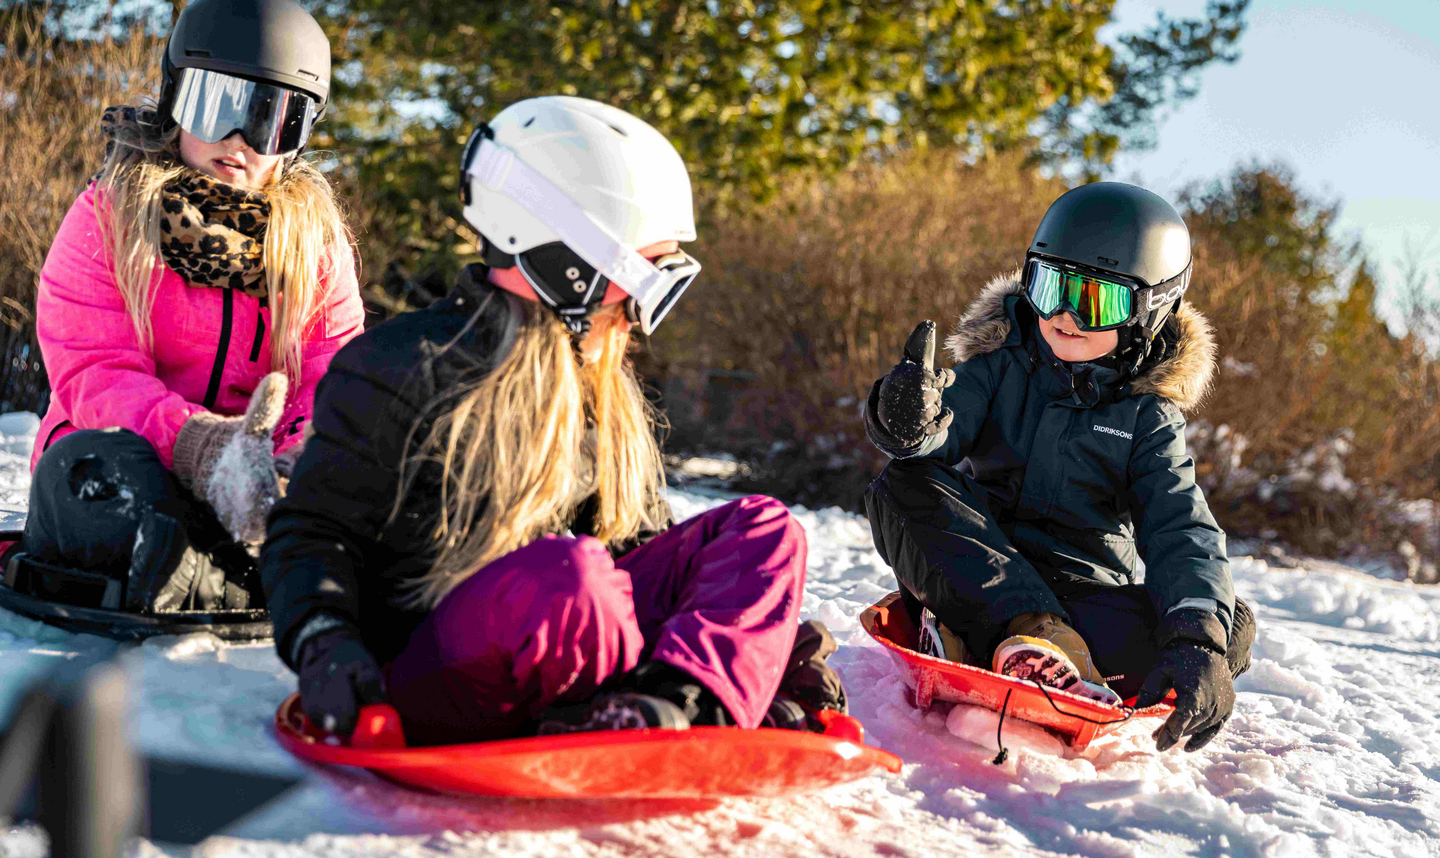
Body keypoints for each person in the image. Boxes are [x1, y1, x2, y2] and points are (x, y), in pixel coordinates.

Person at [262, 96, 843, 746]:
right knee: (570, 578)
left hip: (590, 654)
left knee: (765, 528)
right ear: (569, 266)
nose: (640, 320)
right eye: (647, 283)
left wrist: (768, 647)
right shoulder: (397, 368)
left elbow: (640, 554)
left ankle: (674, 709)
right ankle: (628, 711)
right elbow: (315, 533)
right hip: (443, 667)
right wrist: (325, 643)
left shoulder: (597, 383)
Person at [863, 182, 1254, 753]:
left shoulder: (1147, 417)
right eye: (1051, 287)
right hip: (987, 565)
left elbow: (1179, 525)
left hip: (1083, 597)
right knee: (904, 483)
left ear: (1151, 308)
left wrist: (1198, 640)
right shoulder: (1000, 368)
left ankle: (977, 639)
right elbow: (943, 427)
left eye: (1097, 302)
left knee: (1223, 624)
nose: (1067, 316)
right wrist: (909, 418)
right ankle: (1027, 641)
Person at [18, 0, 364, 614]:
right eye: (216, 106)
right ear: (176, 100)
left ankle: (244, 563)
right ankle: (240, 571)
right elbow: (95, 374)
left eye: (269, 119)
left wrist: (285, 464)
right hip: (126, 461)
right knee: (108, 474)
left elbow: (333, 380)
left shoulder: (314, 246)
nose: (238, 139)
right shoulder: (111, 216)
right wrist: (202, 447)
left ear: (298, 134)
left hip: (255, 483)